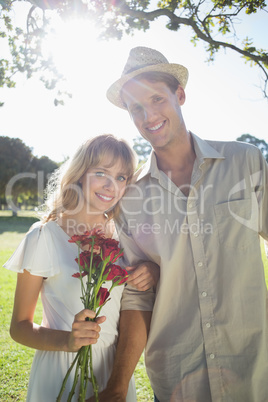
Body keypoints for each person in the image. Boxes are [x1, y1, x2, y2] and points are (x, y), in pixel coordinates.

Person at [96, 47, 268, 401]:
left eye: (157, 98)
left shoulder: (244, 162)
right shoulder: (129, 200)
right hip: (176, 377)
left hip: (254, 371)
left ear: (180, 95)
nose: (148, 115)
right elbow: (137, 298)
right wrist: (116, 387)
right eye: (135, 108)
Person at [3, 134, 160, 402]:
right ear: (79, 175)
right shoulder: (44, 236)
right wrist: (67, 341)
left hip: (115, 372)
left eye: (121, 177)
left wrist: (153, 271)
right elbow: (19, 327)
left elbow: (137, 303)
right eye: (101, 172)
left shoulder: (127, 238)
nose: (111, 185)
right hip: (60, 370)